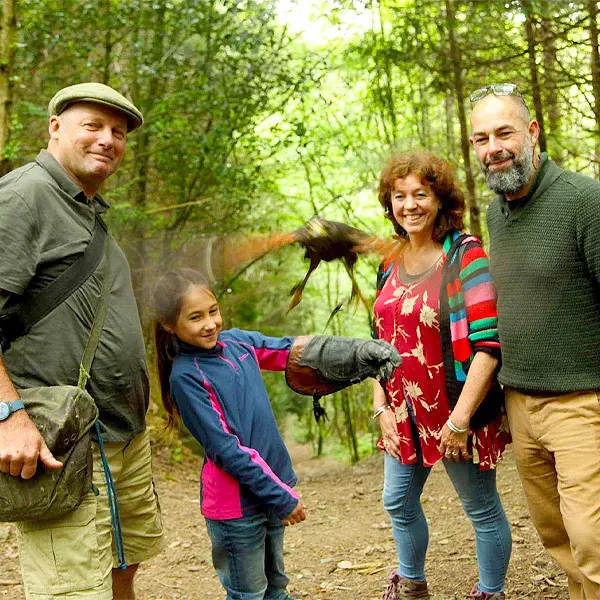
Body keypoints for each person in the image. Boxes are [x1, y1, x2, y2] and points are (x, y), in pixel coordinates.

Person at [0, 83, 164, 599]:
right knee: (72, 590)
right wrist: (9, 417)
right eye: (92, 125)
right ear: (55, 128)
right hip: (60, 440)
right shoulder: (23, 197)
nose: (107, 140)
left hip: (121, 433)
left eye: (117, 132)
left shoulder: (88, 210)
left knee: (122, 566)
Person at [151, 268, 401, 600]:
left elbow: (289, 350)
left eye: (213, 311)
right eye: (195, 317)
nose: (210, 323)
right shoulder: (186, 377)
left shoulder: (237, 342)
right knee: (249, 594)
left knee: (276, 588)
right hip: (236, 506)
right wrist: (280, 497)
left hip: (268, 495)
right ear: (170, 325)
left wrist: (357, 352)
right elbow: (226, 449)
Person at [469, 83, 600, 600]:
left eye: (504, 132)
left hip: (582, 403)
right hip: (520, 404)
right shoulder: (495, 215)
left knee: (593, 537)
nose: (494, 148)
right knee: (558, 537)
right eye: (482, 138)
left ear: (531, 131)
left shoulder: (583, 200)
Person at [372, 150, 512, 600]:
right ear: (389, 204)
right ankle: (412, 583)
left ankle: (490, 592)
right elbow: (377, 343)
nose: (409, 205)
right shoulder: (388, 262)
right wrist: (381, 408)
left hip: (456, 410)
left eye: (420, 194)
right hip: (405, 411)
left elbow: (489, 347)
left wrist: (460, 421)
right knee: (396, 500)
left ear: (440, 200)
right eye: (399, 196)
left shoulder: (466, 255)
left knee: (481, 509)